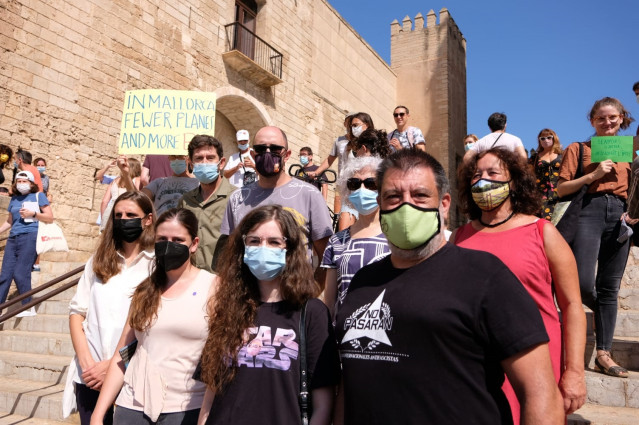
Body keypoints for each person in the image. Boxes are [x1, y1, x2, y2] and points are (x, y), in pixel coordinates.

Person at [334, 149, 564, 425]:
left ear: (444, 204)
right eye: (393, 197)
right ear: (380, 204)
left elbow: (540, 395)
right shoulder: (363, 282)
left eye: (420, 195)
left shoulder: (486, 277)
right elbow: (351, 383)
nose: (406, 207)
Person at [454, 148, 586, 423]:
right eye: (476, 175)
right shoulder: (458, 238)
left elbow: (572, 305)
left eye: (493, 173)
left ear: (514, 181)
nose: (483, 181)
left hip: (536, 369)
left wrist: (574, 371)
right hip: (475, 370)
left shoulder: (543, 232)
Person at [197, 205, 340, 425]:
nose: (263, 248)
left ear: (289, 249)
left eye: (274, 242)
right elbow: (210, 395)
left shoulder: (311, 313)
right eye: (254, 241)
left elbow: (323, 404)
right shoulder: (229, 307)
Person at [90, 208, 216, 425]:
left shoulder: (213, 286)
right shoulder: (145, 290)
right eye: (162, 239)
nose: (169, 245)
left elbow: (220, 356)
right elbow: (123, 355)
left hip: (186, 408)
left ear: (194, 244)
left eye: (178, 239)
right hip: (133, 406)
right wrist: (98, 414)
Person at [557, 96, 638, 378]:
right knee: (580, 282)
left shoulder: (630, 151)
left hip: (619, 217)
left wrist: (635, 210)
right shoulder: (578, 149)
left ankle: (603, 353)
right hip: (587, 212)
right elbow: (561, 189)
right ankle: (603, 314)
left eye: (612, 118)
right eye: (601, 118)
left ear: (621, 119)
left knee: (610, 287)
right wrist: (591, 176)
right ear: (592, 120)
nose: (607, 122)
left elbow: (635, 185)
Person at [62, 191, 155, 425]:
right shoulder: (98, 261)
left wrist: (112, 366)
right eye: (118, 215)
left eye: (131, 214)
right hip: (90, 376)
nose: (124, 219)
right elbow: (77, 313)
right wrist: (88, 365)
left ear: (148, 219)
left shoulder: (155, 264)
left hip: (132, 377)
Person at [221, 126, 333, 270]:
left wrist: (312, 290)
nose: (267, 154)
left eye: (275, 149)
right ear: (254, 155)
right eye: (261, 149)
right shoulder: (237, 198)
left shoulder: (310, 195)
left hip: (294, 290)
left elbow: (326, 256)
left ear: (286, 155)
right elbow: (231, 252)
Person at [321, 156, 389, 317]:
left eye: (371, 183)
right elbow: (329, 302)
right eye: (354, 184)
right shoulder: (336, 241)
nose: (362, 189)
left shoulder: (397, 238)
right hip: (343, 333)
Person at [178, 135, 235, 273]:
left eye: (210, 158)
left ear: (221, 163)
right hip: (191, 279)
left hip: (223, 280)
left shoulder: (237, 198)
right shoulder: (185, 201)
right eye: (198, 158)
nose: (204, 163)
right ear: (191, 164)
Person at [0, 170, 53, 317]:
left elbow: (50, 217)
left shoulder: (38, 196)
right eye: (19, 181)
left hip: (30, 235)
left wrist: (33, 214)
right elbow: (9, 221)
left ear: (31, 183)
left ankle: (28, 306)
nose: (21, 184)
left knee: (20, 273)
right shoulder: (14, 199)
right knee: (5, 275)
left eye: (25, 181)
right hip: (12, 238)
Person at [307, 114, 355, 230]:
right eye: (347, 123)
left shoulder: (360, 141)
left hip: (358, 183)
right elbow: (329, 160)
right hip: (342, 184)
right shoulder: (339, 141)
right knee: (342, 218)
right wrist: (316, 172)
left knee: (356, 217)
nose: (349, 125)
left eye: (352, 123)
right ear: (344, 124)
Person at [99, 157, 141, 231]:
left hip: (109, 214)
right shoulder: (137, 180)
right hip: (126, 214)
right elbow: (137, 196)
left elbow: (104, 202)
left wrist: (103, 219)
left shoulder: (115, 181)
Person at [529, 129, 563, 221]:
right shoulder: (534, 157)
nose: (546, 140)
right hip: (540, 194)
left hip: (560, 193)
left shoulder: (562, 154)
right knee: (541, 222)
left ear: (554, 138)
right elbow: (529, 175)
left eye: (549, 137)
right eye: (542, 138)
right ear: (539, 141)